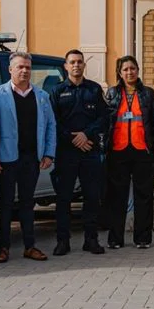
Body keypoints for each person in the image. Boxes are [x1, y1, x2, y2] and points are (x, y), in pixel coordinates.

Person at [0, 52, 57, 263]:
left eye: (28, 67)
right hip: (7, 158)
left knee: (28, 203)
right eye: (20, 67)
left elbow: (51, 127)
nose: (24, 71)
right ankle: (4, 248)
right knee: (6, 203)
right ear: (10, 70)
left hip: (31, 159)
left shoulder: (42, 97)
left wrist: (48, 152)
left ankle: (30, 246)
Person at [49, 49, 110, 256]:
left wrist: (86, 134)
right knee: (64, 198)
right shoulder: (56, 91)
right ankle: (62, 241)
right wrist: (73, 138)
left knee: (92, 197)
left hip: (89, 152)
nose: (76, 65)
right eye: (72, 62)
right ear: (66, 66)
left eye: (80, 62)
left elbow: (103, 118)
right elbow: (53, 122)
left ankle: (91, 240)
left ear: (84, 66)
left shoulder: (93, 90)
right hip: (66, 153)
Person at [104, 55, 154, 249]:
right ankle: (115, 238)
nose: (130, 72)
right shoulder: (112, 93)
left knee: (143, 196)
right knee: (117, 196)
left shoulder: (148, 94)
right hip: (118, 151)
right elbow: (106, 123)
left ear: (138, 70)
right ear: (120, 73)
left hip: (142, 150)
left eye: (133, 68)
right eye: (125, 69)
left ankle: (142, 238)